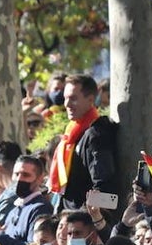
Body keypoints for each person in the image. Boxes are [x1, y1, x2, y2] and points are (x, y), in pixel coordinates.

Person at [49, 75, 117, 212]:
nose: (67, 104)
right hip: (67, 215)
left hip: (83, 222)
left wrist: (92, 219)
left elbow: (104, 186)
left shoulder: (96, 135)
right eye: (65, 98)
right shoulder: (72, 131)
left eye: (73, 98)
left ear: (91, 99)